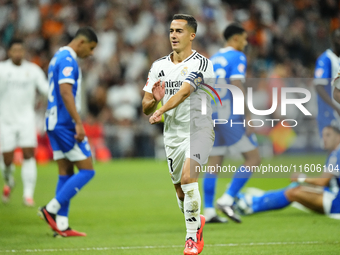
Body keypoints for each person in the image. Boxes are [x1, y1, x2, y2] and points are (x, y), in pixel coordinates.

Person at [142, 14, 215, 255]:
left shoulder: (202, 64)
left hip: (199, 129)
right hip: (172, 134)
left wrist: (161, 108)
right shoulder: (158, 66)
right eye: (171, 30)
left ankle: (192, 239)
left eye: (179, 31)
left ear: (192, 35)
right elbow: (145, 106)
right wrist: (155, 101)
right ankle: (197, 222)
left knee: (188, 178)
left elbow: (184, 92)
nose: (173, 35)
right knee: (181, 193)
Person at [38, 27, 97, 237]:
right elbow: (65, 91)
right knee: (88, 170)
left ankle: (61, 226)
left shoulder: (57, 56)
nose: (90, 54)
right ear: (81, 43)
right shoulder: (68, 59)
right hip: (65, 124)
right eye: (90, 48)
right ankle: (50, 209)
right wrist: (78, 123)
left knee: (65, 172)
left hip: (53, 121)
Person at [202, 23, 261, 223]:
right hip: (228, 114)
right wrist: (247, 115)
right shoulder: (237, 56)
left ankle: (208, 211)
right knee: (253, 158)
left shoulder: (213, 58)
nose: (246, 43)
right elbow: (236, 84)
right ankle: (227, 198)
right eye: (244, 38)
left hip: (210, 113)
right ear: (235, 38)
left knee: (214, 161)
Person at [235, 125, 340, 217]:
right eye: (323, 135)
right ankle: (251, 201)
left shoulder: (337, 154)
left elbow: (322, 182)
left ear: (338, 137)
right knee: (294, 188)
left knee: (293, 192)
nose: (324, 139)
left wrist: (302, 177)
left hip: (335, 201)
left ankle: (251, 205)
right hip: (332, 195)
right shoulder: (334, 153)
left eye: (328, 135)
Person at [0, 39, 48, 206]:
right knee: (7, 160)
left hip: (27, 119)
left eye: (21, 50)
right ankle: (9, 181)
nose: (18, 53)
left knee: (29, 154)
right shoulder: (2, 70)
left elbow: (45, 88)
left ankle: (28, 194)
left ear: (24, 51)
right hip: (6, 121)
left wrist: (56, 94)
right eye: (15, 50)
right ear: (9, 52)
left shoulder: (33, 70)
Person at [314, 28, 340, 141]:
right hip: (329, 110)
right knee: (332, 144)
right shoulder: (326, 59)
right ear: (334, 40)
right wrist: (335, 107)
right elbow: (318, 86)